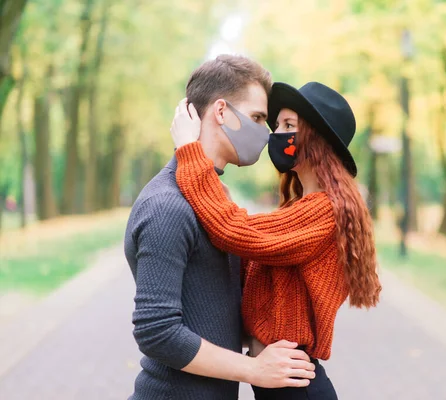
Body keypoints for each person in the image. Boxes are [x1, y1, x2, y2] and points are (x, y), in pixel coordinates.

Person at [170, 81, 383, 399]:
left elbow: (234, 231)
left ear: (315, 139)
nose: (276, 134)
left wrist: (189, 150)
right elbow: (248, 244)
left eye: (288, 126)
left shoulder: (323, 210)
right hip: (279, 382)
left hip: (294, 387)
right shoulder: (302, 208)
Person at [124, 55, 315, 400]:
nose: (267, 132)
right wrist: (254, 369)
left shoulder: (212, 202)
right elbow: (157, 331)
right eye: (257, 117)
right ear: (222, 111)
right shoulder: (168, 205)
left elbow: (214, 311)